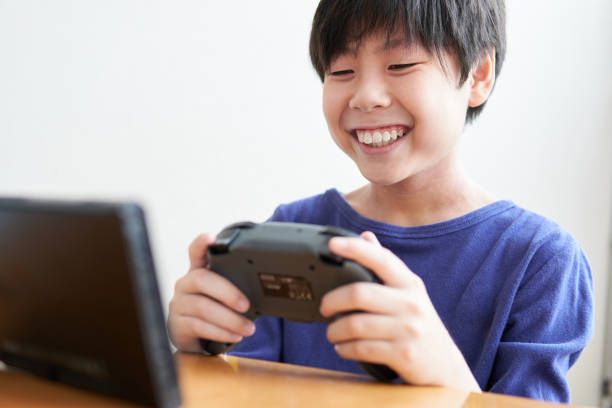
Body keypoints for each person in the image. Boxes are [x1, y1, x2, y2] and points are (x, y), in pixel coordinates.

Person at [167, 0, 593, 402]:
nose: (366, 96)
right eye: (341, 70)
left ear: (479, 75)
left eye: (401, 64)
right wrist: (198, 354)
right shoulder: (289, 230)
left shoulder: (541, 261)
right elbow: (240, 395)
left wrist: (443, 371)